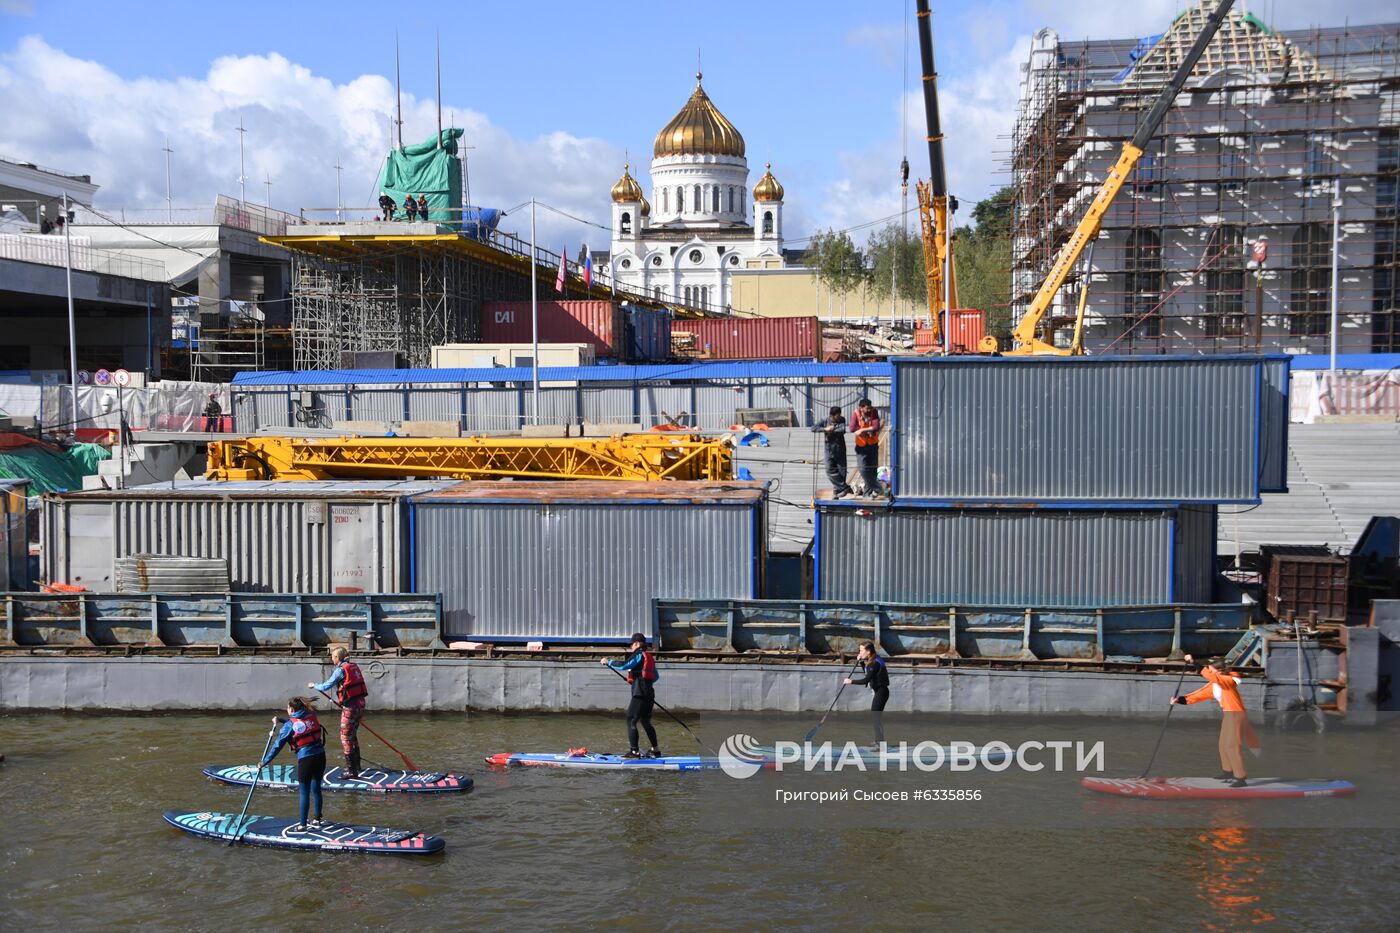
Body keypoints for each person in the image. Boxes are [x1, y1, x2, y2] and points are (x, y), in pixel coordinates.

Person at [1173, 654, 1260, 787]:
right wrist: (1180, 700)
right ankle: (1228, 771)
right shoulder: (1215, 684)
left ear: (1218, 670)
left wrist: (1193, 662)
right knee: (1223, 744)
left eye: (1210, 668)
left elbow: (1212, 676)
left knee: (1232, 746)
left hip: (1236, 715)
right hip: (1228, 714)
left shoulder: (1229, 680)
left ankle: (1240, 778)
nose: (1209, 670)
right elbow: (1200, 695)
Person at [261, 697, 326, 831]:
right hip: (320, 756)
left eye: (287, 707)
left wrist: (265, 761)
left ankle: (302, 825)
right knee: (316, 789)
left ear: (291, 709)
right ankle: (317, 820)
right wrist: (282, 721)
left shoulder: (289, 725)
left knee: (304, 793)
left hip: (306, 760)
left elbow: (278, 745)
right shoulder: (311, 715)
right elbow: (299, 726)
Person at [309, 647, 368, 778]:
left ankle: (351, 771)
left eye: (333, 656)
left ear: (338, 658)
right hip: (360, 704)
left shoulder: (340, 670)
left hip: (351, 707)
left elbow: (325, 686)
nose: (332, 658)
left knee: (345, 737)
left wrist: (314, 685)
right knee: (352, 735)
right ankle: (357, 766)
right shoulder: (353, 666)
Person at [600, 632, 660, 758]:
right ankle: (655, 751)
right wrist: (638, 680)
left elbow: (624, 665)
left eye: (632, 644)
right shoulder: (649, 657)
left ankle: (634, 752)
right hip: (649, 693)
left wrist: (608, 662)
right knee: (645, 721)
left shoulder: (638, 654)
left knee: (631, 719)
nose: (631, 647)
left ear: (638, 644)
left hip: (640, 693)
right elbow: (655, 677)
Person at [844, 641, 890, 747]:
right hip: (880, 692)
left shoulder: (874, 663)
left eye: (861, 650)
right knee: (875, 718)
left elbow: (866, 680)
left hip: (881, 693)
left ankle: (880, 744)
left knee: (876, 718)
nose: (859, 653)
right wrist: (860, 662)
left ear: (868, 651)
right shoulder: (873, 660)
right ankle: (878, 741)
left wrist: (851, 681)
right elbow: (868, 673)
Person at [811, 406, 854, 499]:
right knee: (828, 469)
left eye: (839, 416)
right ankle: (844, 487)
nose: (838, 418)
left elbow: (842, 430)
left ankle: (838, 491)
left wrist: (832, 429)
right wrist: (825, 429)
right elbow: (813, 428)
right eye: (836, 416)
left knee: (842, 472)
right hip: (828, 449)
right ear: (831, 416)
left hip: (840, 449)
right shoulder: (824, 420)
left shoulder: (842, 419)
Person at [851, 398, 883, 497]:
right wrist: (866, 430)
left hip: (873, 445)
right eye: (866, 408)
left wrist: (861, 430)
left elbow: (876, 426)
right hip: (861, 446)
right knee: (863, 469)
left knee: (873, 470)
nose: (869, 410)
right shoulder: (856, 413)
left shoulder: (874, 412)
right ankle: (878, 488)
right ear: (861, 408)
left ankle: (867, 493)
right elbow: (852, 428)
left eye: (869, 408)